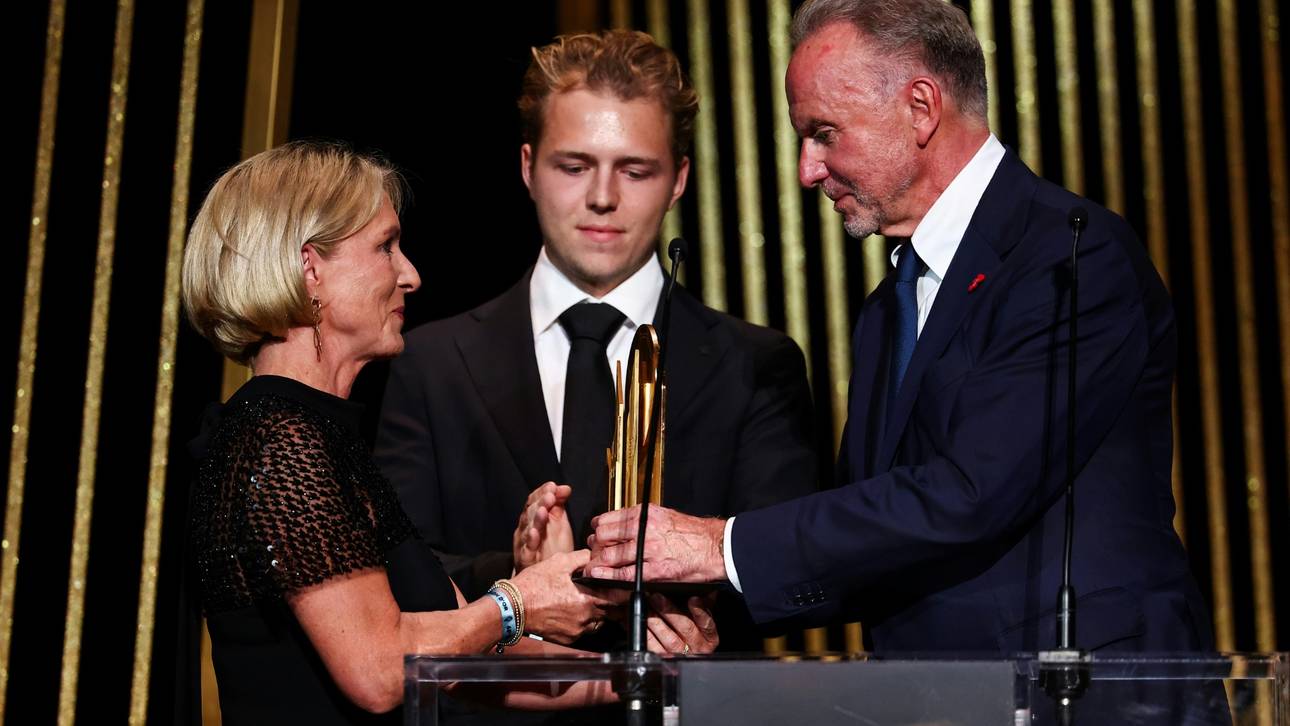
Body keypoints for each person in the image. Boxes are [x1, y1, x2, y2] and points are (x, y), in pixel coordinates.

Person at [588, 0, 1213, 660]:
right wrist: (712, 615)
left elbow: (969, 495)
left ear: (921, 107)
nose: (807, 170)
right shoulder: (890, 305)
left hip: (1082, 698)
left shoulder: (1072, 258)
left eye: (824, 133)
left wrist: (720, 547)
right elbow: (882, 533)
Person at [182, 141, 717, 724]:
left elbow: (465, 665)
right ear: (311, 270)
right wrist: (519, 602)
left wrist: (647, 674)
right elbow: (382, 673)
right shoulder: (281, 441)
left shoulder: (322, 439)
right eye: (385, 247)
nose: (410, 274)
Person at [375, 30, 817, 651]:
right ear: (528, 167)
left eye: (635, 170)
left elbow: (795, 574)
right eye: (574, 166)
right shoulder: (432, 361)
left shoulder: (757, 365)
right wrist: (516, 577)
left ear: (679, 179)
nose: (603, 198)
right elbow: (393, 572)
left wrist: (704, 618)